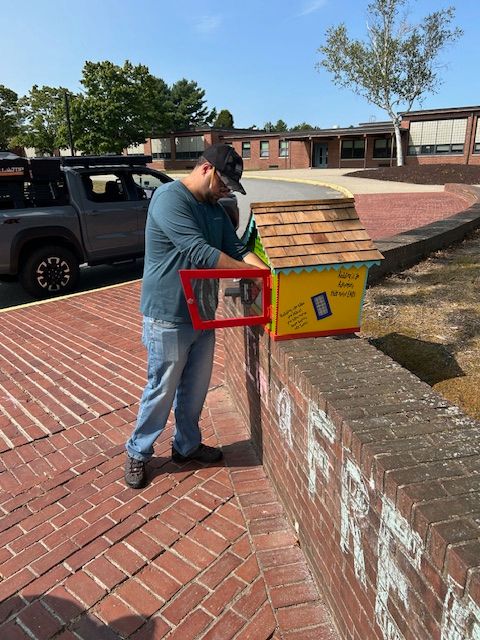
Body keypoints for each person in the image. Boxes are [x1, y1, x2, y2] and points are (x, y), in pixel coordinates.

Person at [124, 144, 267, 488]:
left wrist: (268, 274)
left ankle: (185, 446)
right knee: (162, 388)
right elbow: (198, 253)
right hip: (168, 315)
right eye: (224, 183)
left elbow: (237, 249)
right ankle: (138, 452)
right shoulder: (169, 198)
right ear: (207, 169)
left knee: (195, 389)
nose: (226, 191)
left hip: (202, 312)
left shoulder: (215, 209)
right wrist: (252, 276)